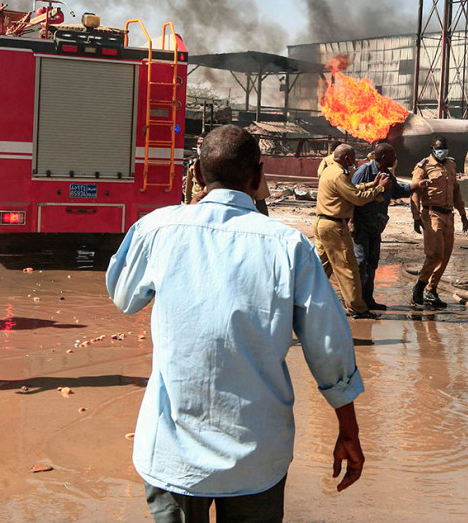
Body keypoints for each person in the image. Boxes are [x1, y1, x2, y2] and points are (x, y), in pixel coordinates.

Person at [106, 125, 365, 522]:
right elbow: (328, 344)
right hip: (257, 458)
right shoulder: (288, 246)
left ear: (196, 173)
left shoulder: (158, 228)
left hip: (173, 457)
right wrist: (349, 430)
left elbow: (123, 297)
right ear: (259, 176)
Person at [316, 144, 392, 319]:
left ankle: (301, 299)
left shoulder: (330, 170)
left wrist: (370, 185)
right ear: (346, 159)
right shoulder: (338, 175)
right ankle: (357, 308)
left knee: (321, 267)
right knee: (348, 269)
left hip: (323, 223)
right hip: (334, 226)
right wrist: (379, 188)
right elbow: (356, 199)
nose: (355, 161)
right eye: (352, 158)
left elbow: (351, 189)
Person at [351, 142, 429, 310]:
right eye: (393, 155)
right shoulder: (364, 171)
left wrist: (417, 185)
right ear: (385, 157)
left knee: (372, 264)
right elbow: (351, 196)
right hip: (361, 226)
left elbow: (399, 190)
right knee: (360, 263)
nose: (395, 158)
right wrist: (351, 222)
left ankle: (368, 300)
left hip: (376, 227)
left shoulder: (386, 174)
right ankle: (355, 302)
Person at [409, 136, 468, 310]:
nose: (443, 151)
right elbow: (415, 192)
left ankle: (431, 289)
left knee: (445, 256)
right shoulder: (424, 166)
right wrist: (416, 217)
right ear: (432, 149)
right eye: (439, 149)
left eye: (445, 148)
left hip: (448, 215)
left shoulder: (451, 164)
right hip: (432, 214)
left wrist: (463, 214)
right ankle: (419, 286)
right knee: (434, 254)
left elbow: (456, 191)